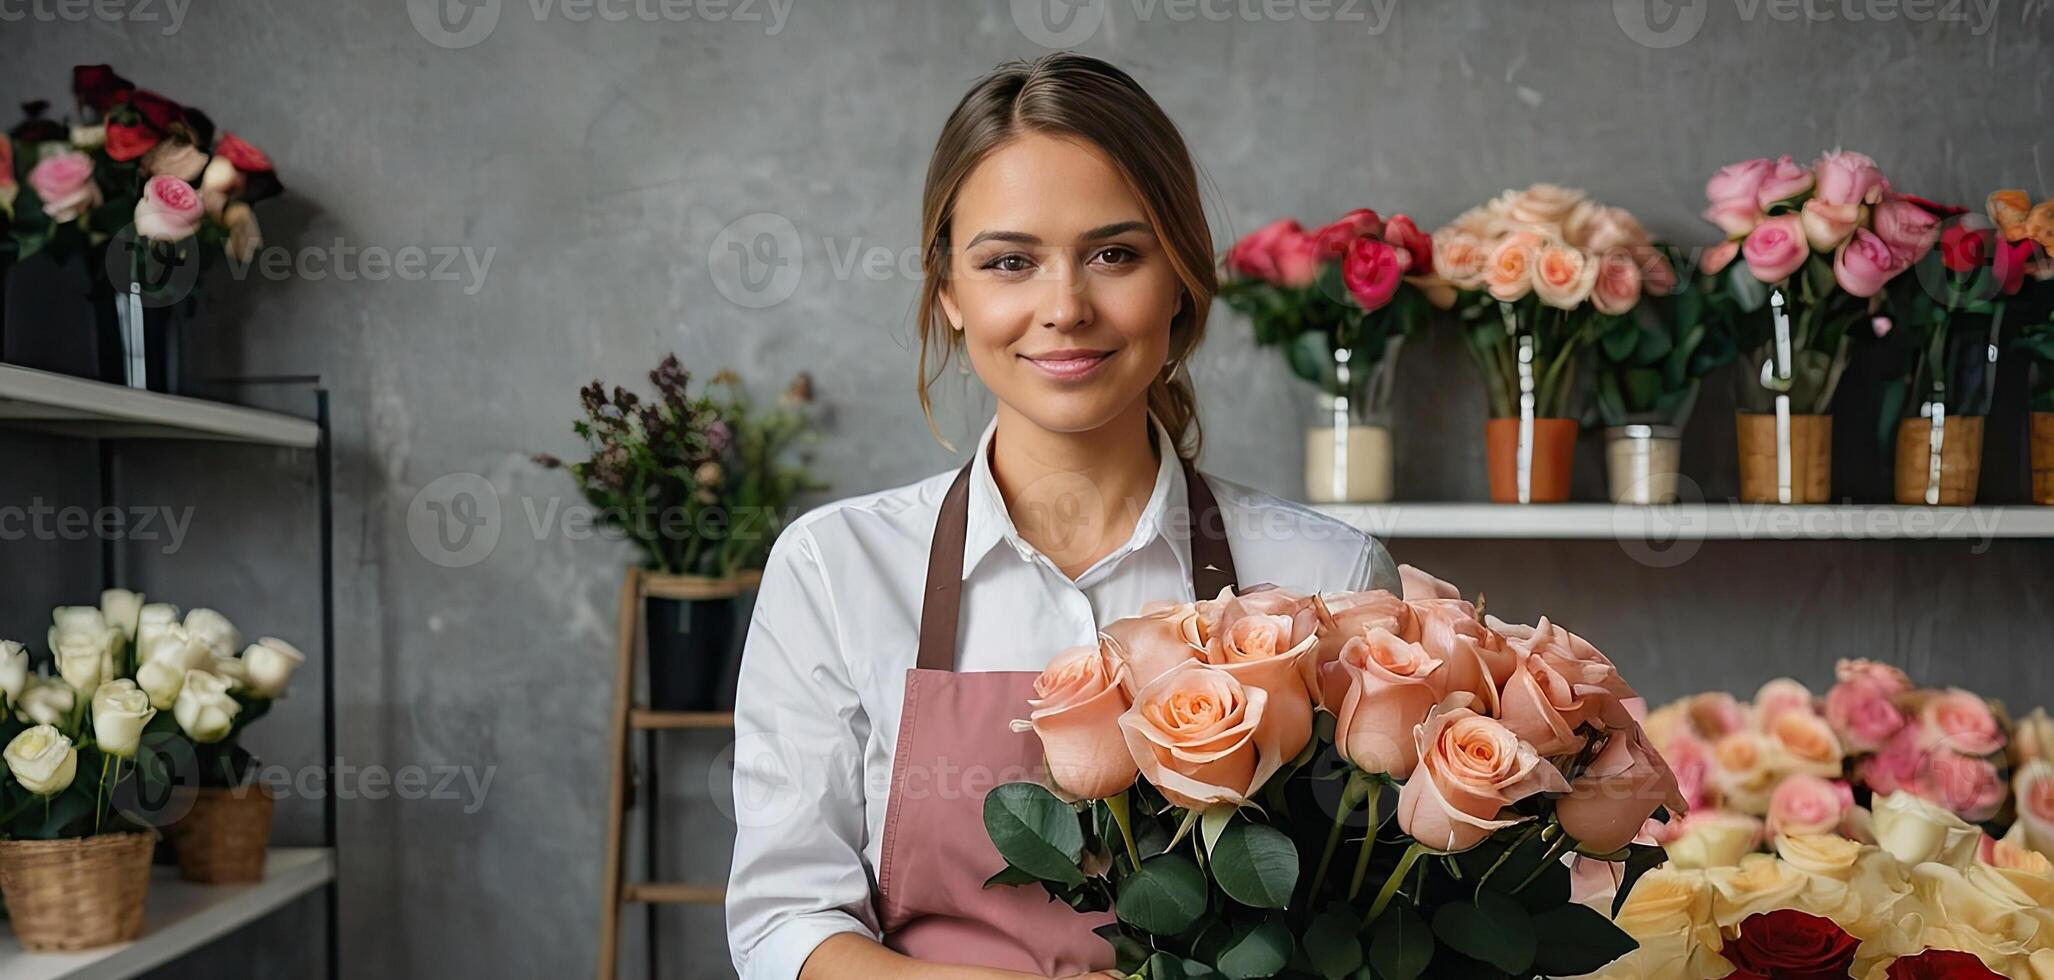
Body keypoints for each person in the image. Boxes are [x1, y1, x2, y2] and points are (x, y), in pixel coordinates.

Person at [726, 52, 1399, 980]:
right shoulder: (835, 569)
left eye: (1115, 255)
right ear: (951, 295)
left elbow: (1375, 923)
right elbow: (783, 927)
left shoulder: (1336, 578)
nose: (1065, 308)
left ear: (1180, 281)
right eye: (1010, 262)